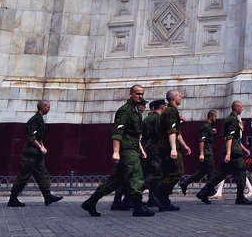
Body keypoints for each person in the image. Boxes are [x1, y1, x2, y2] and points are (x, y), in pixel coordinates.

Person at [81, 84, 155, 217]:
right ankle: (138, 207)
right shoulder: (124, 110)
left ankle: (91, 202)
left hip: (133, 147)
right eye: (138, 94)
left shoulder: (136, 110)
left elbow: (136, 134)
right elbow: (117, 132)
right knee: (136, 175)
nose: (140, 97)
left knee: (116, 180)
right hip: (126, 149)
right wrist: (116, 151)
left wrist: (140, 149)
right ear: (130, 94)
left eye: (142, 94)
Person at [7, 100, 63, 207]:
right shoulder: (34, 120)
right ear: (42, 108)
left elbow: (39, 136)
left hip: (37, 153)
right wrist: (40, 147)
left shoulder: (40, 119)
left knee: (42, 173)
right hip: (30, 154)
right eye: (48, 107)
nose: (49, 109)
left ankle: (47, 196)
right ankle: (12, 199)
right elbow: (31, 137)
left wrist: (42, 146)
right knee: (23, 176)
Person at [196, 100, 252, 205]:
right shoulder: (233, 120)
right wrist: (229, 153)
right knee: (241, 173)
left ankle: (204, 192)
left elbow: (233, 138)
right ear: (236, 108)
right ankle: (240, 197)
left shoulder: (231, 119)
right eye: (240, 107)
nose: (242, 108)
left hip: (230, 149)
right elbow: (230, 137)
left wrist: (244, 149)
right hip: (234, 153)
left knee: (221, 174)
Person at [157, 89, 191, 209]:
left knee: (167, 173)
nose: (180, 98)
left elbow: (177, 132)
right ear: (173, 99)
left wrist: (184, 146)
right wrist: (173, 149)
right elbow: (171, 132)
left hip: (166, 146)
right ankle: (159, 194)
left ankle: (163, 201)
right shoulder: (171, 111)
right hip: (167, 147)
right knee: (177, 171)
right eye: (178, 96)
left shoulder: (172, 111)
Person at [180, 109, 218, 196]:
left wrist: (212, 131)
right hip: (207, 153)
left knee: (202, 172)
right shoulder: (206, 126)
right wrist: (202, 153)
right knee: (211, 172)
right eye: (215, 116)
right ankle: (207, 191)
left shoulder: (209, 126)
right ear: (211, 116)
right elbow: (201, 140)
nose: (216, 118)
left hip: (208, 151)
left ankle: (185, 183)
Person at [140, 99, 166, 207]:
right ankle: (135, 192)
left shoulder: (147, 118)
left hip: (147, 148)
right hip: (155, 148)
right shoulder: (158, 118)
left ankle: (152, 198)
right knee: (156, 174)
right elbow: (160, 133)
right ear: (163, 107)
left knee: (149, 173)